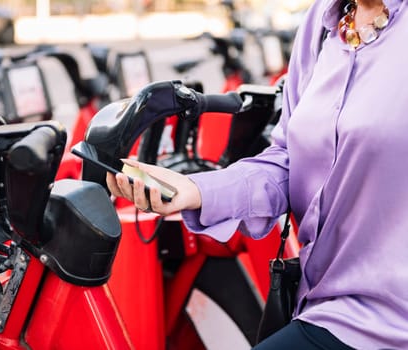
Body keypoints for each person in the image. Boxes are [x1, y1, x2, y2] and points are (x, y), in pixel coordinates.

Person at [106, 0, 408, 347]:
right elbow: (288, 162)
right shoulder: (323, 23)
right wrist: (195, 190)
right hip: (325, 305)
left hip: (391, 322)